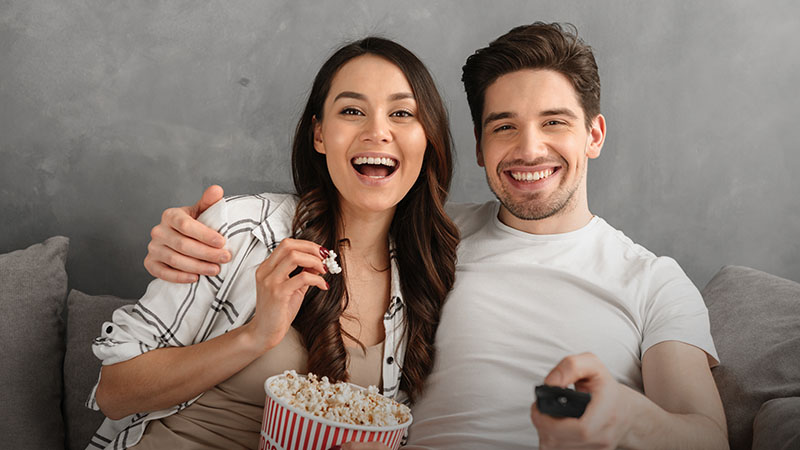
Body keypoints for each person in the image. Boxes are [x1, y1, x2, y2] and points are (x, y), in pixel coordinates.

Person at [142, 23, 729, 449]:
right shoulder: (430, 237)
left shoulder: (653, 281)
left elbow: (707, 437)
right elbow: (322, 214)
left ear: (594, 134)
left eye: (555, 122)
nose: (529, 148)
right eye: (504, 127)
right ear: (478, 147)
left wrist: (629, 419)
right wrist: (184, 239)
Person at [86, 37, 459, 450]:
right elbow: (114, 393)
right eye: (352, 111)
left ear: (428, 139)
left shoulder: (430, 274)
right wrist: (255, 335)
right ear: (319, 134)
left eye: (402, 113)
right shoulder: (244, 229)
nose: (377, 132)